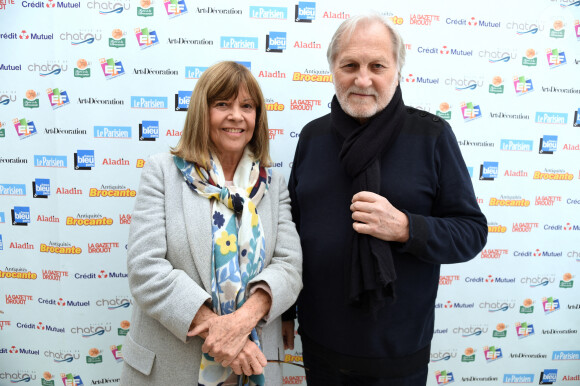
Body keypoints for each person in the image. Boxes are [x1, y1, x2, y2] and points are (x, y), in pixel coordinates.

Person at [284, 13, 488, 385]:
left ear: (397, 70)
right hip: (320, 346)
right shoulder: (312, 137)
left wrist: (407, 228)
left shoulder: (432, 136)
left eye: (377, 65)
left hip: (399, 354)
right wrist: (285, 312)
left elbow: (472, 232)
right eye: (350, 65)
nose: (363, 79)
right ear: (332, 68)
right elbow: (292, 233)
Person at [120, 61, 303, 386]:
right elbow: (145, 268)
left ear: (257, 117)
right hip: (172, 369)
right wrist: (224, 334)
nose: (236, 115)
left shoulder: (272, 183)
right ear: (202, 113)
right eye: (222, 104)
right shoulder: (163, 172)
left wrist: (241, 323)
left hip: (252, 368)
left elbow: (289, 266)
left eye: (247, 106)